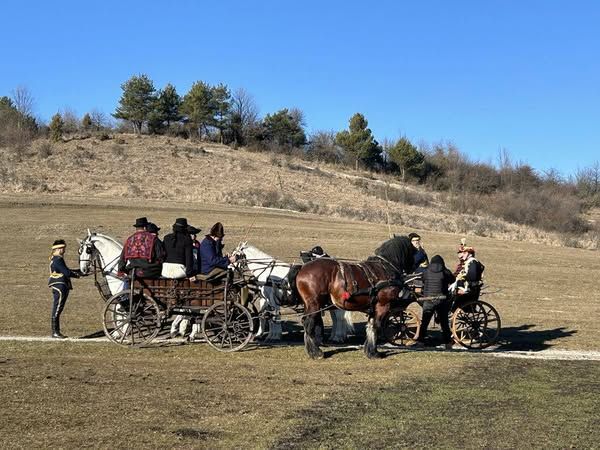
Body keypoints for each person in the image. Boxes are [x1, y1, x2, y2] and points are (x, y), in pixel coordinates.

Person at [414, 255, 455, 349]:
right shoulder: (445, 272)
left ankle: (420, 342)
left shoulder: (426, 271)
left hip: (428, 299)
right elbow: (453, 280)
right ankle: (448, 343)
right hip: (441, 299)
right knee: (444, 322)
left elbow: (422, 280)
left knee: (425, 322)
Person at [48, 239, 81, 338]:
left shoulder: (55, 258)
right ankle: (55, 332)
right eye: (63, 248)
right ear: (58, 249)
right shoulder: (58, 259)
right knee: (58, 308)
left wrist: (78, 272)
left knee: (58, 308)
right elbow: (66, 272)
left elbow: (66, 270)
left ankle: (56, 331)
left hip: (60, 285)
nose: (65, 250)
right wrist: (78, 274)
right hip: (60, 285)